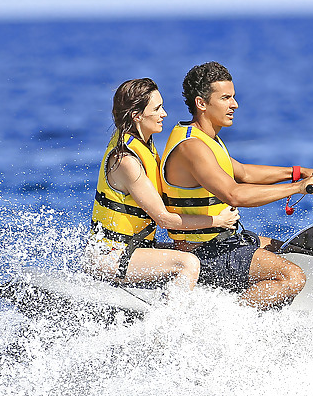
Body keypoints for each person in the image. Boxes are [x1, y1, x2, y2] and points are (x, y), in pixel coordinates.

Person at [160, 61, 313, 309]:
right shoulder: (191, 147)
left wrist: (298, 172)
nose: (234, 105)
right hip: (206, 252)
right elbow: (234, 194)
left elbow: (244, 173)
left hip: (226, 241)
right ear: (201, 103)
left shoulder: (206, 139)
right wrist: (298, 188)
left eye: (234, 97)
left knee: (297, 250)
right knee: (292, 276)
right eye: (226, 98)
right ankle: (233, 326)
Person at [87, 78, 239, 291]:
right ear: (137, 116)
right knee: (188, 263)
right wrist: (217, 220)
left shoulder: (145, 145)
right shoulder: (126, 161)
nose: (164, 114)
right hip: (109, 256)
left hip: (134, 249)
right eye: (157, 108)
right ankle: (170, 323)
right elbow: (164, 219)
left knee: (194, 253)